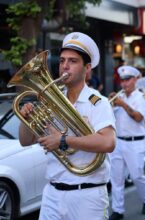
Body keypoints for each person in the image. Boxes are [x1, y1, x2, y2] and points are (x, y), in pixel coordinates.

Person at [18, 32, 116, 220]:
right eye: (62, 60)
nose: (65, 66)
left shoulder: (98, 102)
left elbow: (108, 142)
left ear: (87, 68)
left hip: (87, 197)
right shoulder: (51, 99)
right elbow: (25, 141)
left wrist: (63, 140)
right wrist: (27, 119)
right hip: (52, 193)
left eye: (73, 61)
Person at [108, 66, 145, 219]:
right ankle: (118, 209)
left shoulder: (143, 97)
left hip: (136, 143)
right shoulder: (119, 96)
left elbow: (139, 117)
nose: (124, 83)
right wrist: (111, 104)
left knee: (137, 176)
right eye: (123, 80)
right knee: (116, 177)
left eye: (128, 80)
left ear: (135, 80)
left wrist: (123, 105)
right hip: (118, 142)